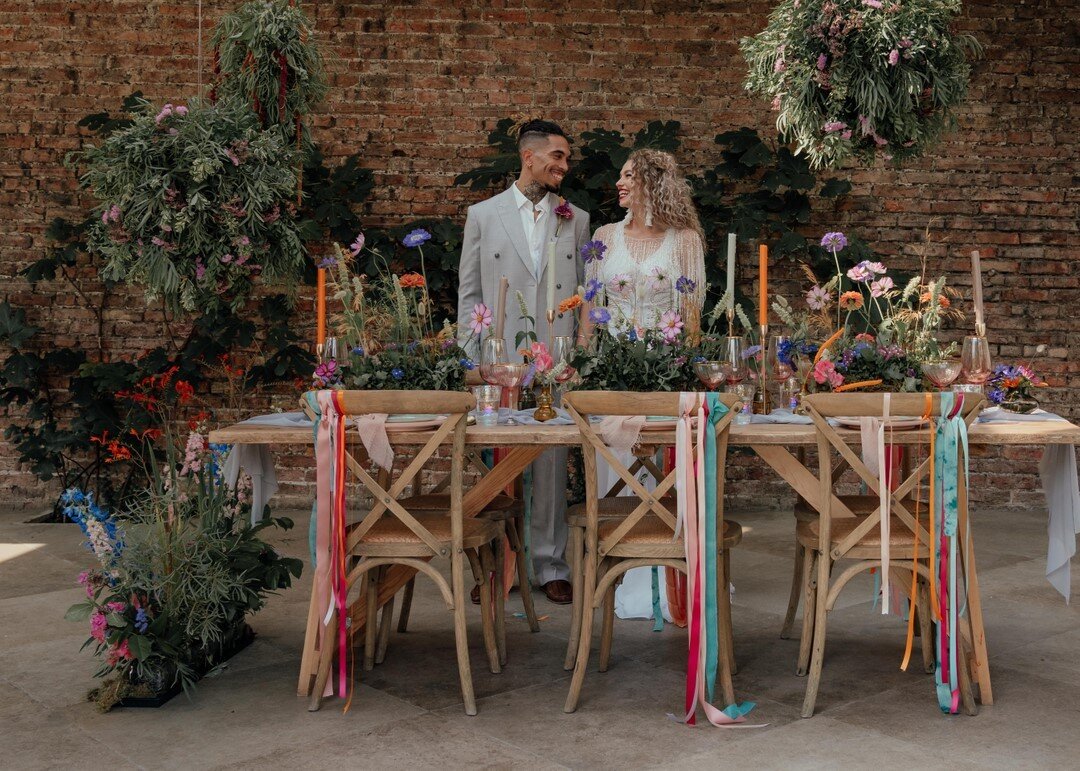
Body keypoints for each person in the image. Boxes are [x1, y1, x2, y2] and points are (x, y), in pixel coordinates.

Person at [457, 119, 591, 604]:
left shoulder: (576, 218)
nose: (564, 166)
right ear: (529, 157)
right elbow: (469, 292)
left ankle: (550, 562)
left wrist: (580, 352)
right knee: (498, 461)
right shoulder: (483, 215)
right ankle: (499, 566)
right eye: (557, 156)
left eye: (567, 159)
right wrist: (471, 359)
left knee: (552, 461)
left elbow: (583, 294)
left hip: (556, 353)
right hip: (501, 354)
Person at [582, 148, 707, 621]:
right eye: (620, 174)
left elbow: (691, 321)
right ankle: (620, 574)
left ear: (653, 183)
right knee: (616, 473)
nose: (619, 183)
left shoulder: (685, 241)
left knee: (662, 477)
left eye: (629, 175)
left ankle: (667, 576)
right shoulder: (603, 236)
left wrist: (682, 370)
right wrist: (582, 366)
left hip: (665, 376)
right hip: (611, 378)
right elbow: (590, 313)